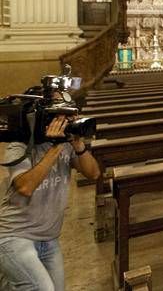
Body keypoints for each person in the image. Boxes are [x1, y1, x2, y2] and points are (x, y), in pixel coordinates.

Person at [0, 115, 101, 291]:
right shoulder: (19, 146)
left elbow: (93, 174)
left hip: (48, 238)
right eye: (60, 118)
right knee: (43, 288)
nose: (64, 123)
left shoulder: (67, 146)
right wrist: (55, 147)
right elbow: (25, 187)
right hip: (14, 235)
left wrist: (79, 146)